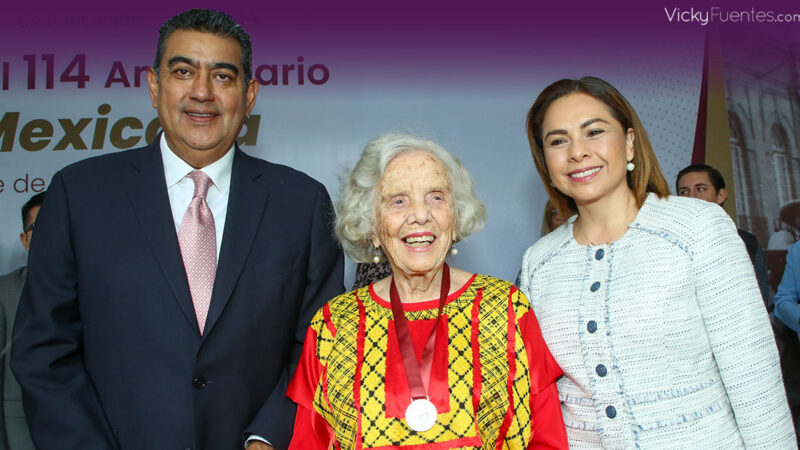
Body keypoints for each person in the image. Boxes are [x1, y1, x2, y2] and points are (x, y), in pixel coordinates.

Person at [11, 9, 343, 450]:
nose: (202, 92)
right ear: (153, 86)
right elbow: (44, 353)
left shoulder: (301, 203)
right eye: (183, 71)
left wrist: (269, 436)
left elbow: (318, 348)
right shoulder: (79, 195)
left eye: (223, 77)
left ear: (249, 95)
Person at [518, 76, 794, 448]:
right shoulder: (540, 262)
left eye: (594, 131)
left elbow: (754, 377)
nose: (577, 152)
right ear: (545, 159)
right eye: (558, 140)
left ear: (630, 143)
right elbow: (541, 392)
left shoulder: (698, 227)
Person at [287, 134, 567, 449]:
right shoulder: (334, 325)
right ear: (372, 224)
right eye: (398, 200)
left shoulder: (504, 309)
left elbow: (545, 438)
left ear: (455, 214)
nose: (420, 215)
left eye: (436, 197)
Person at [675, 163, 770, 307]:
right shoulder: (670, 244)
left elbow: (759, 304)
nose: (691, 197)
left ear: (720, 196)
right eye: (684, 192)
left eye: (700, 189)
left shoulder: (746, 243)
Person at [0, 193, 44, 450]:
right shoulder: (3, 292)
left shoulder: (106, 292)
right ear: (24, 241)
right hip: (20, 438)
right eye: (39, 227)